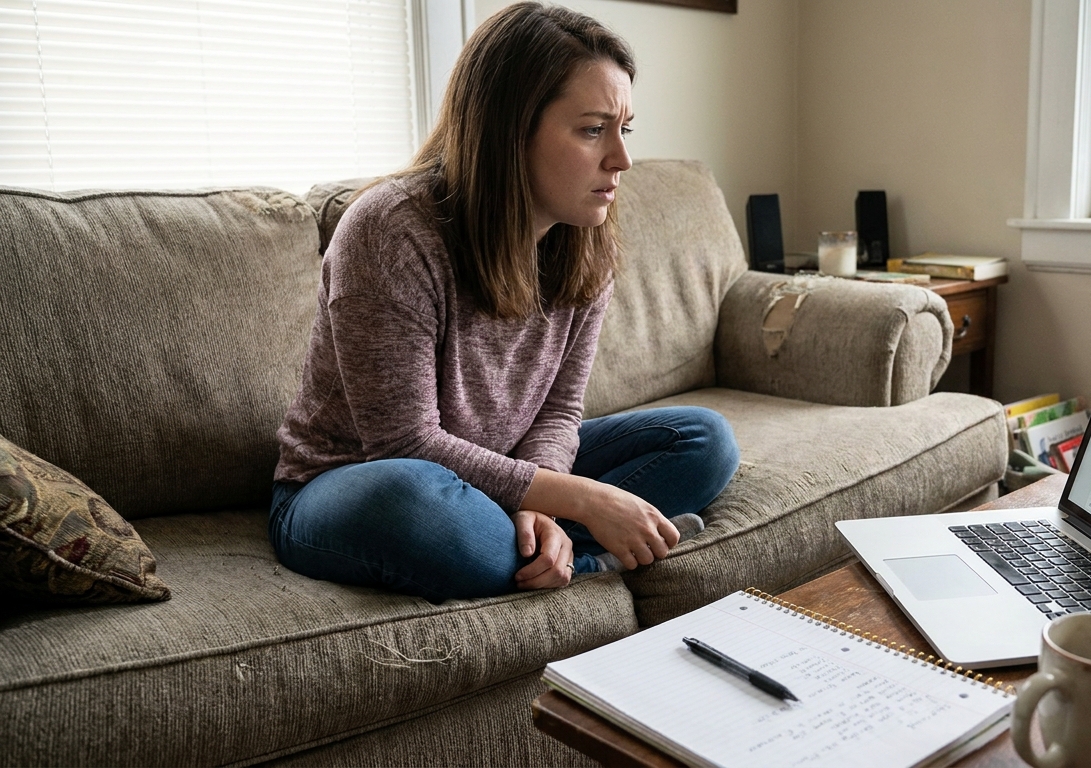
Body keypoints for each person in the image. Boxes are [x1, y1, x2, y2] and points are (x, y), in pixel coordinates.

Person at [267, 2, 739, 603]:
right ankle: (582, 555)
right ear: (509, 130)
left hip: (498, 468)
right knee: (417, 503)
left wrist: (534, 500)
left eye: (625, 129)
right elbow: (405, 444)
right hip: (353, 485)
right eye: (593, 129)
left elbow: (559, 413)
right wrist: (579, 498)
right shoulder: (391, 230)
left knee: (704, 439)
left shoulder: (587, 239)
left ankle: (549, 549)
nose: (621, 159)